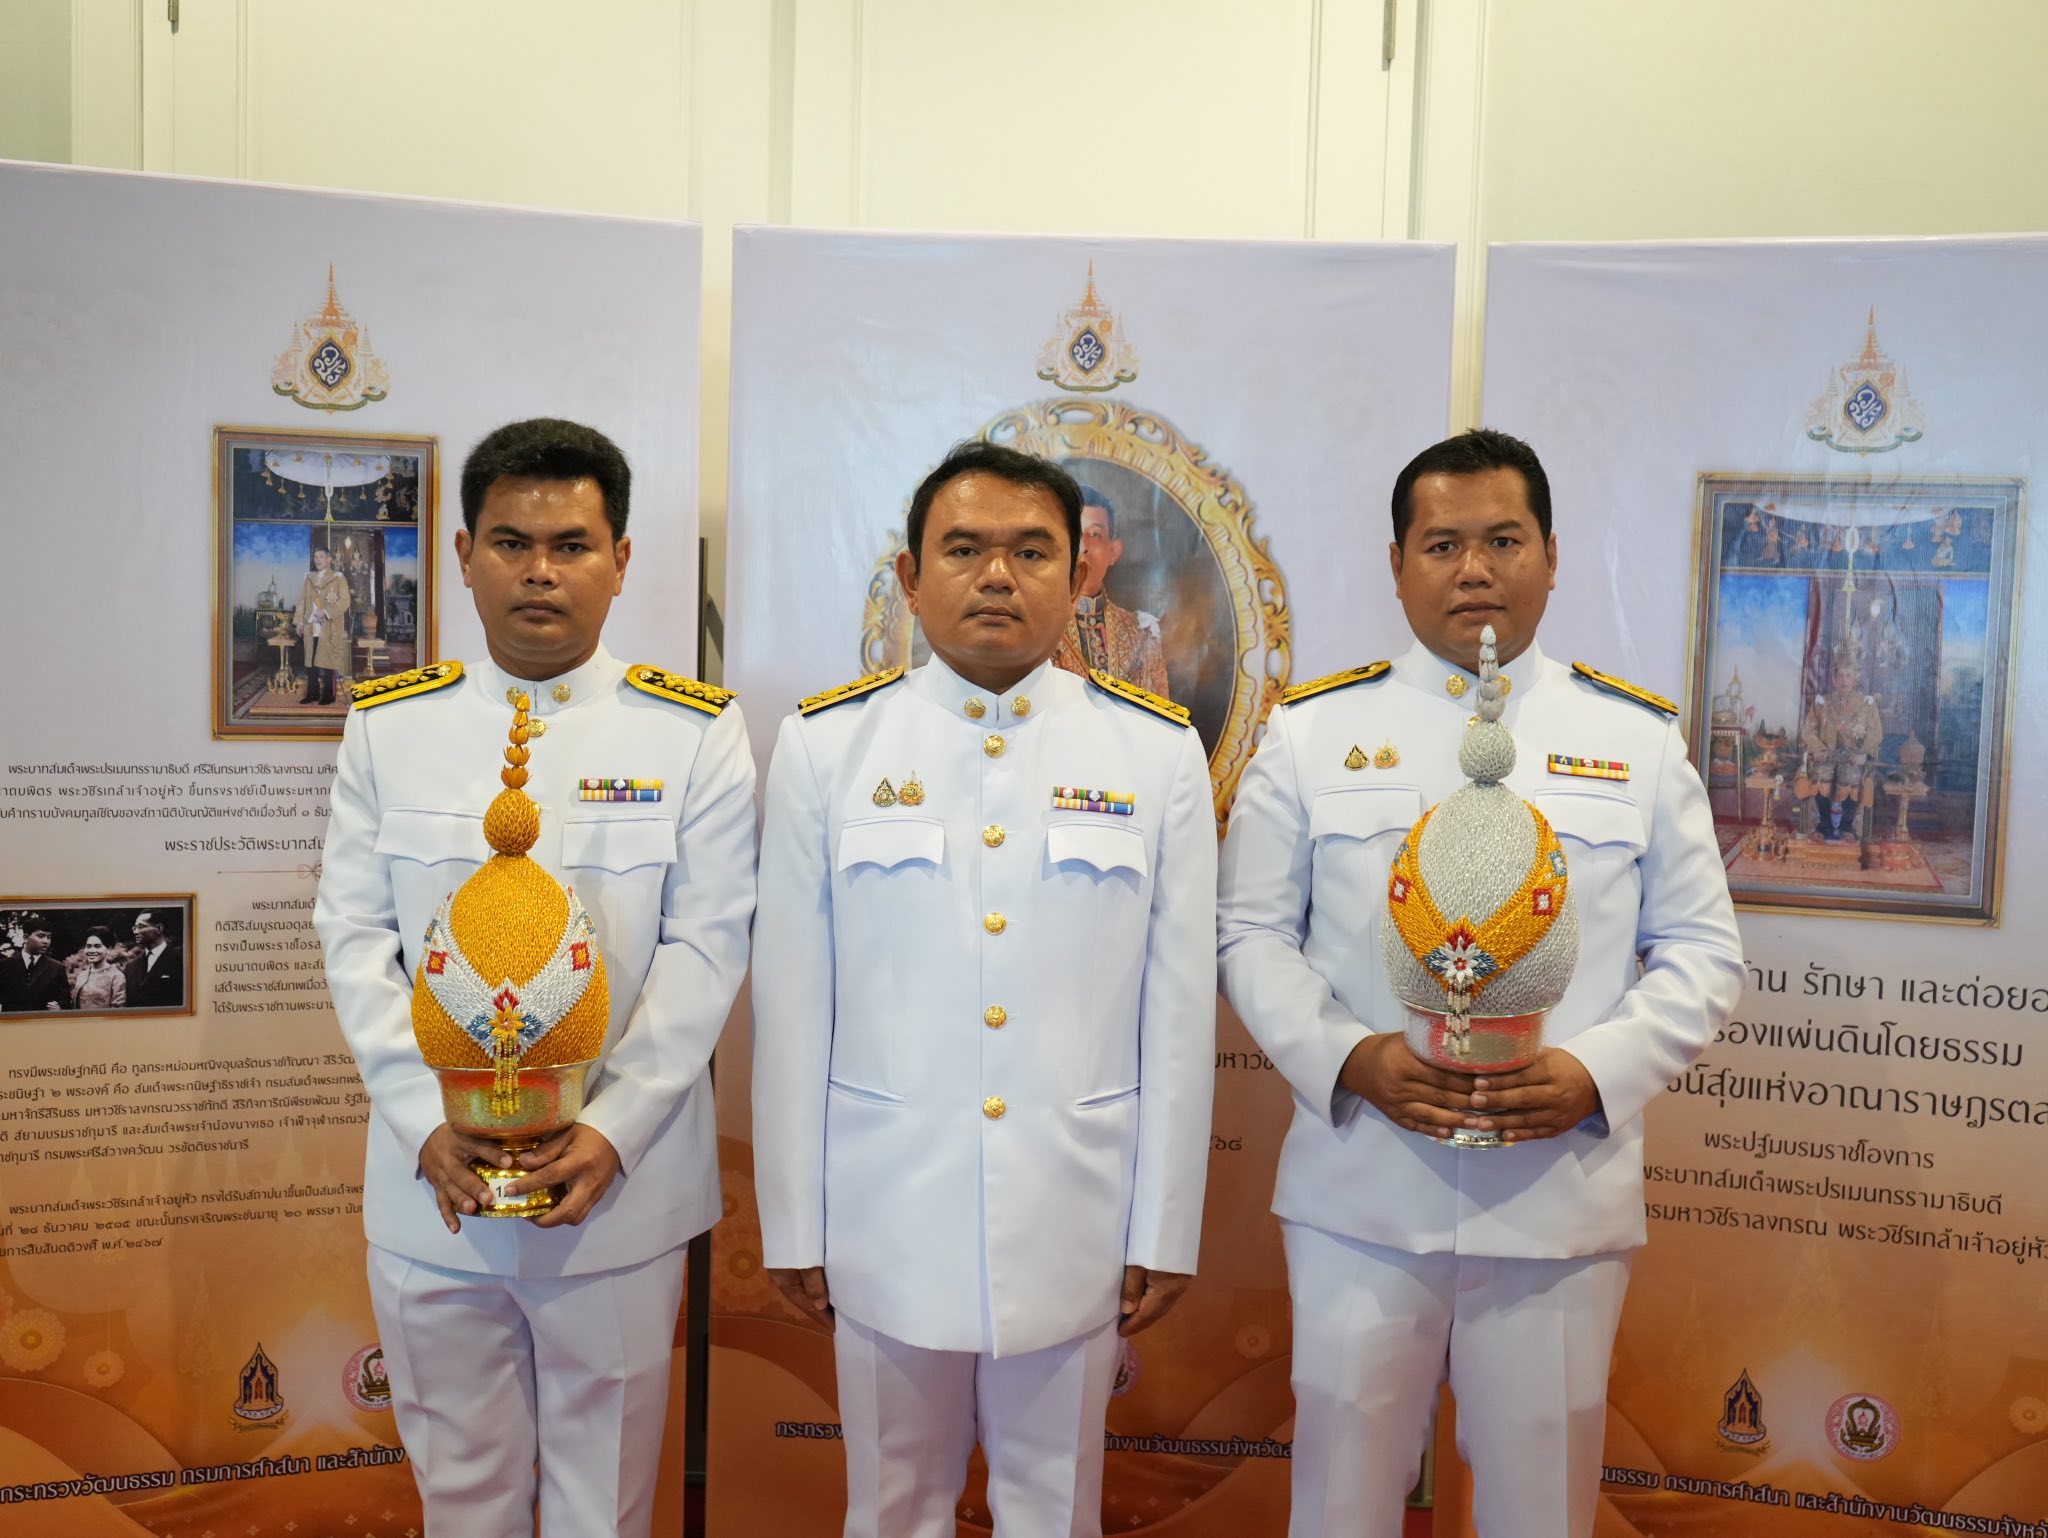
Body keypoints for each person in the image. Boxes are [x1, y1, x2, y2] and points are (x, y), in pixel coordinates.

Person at [1217, 429, 1742, 1538]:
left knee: (1539, 1512)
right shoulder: (1312, 736)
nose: (1473, 569)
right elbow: (1251, 933)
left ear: (1551, 556)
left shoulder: (1635, 739)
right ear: (1396, 562)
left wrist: (1594, 1074)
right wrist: (1349, 1057)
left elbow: (1703, 952)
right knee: (1341, 1503)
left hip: (1556, 1192)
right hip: (1364, 1189)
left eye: (1502, 540)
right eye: (1442, 543)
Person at [753, 441, 1216, 1538]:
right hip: (882, 1210)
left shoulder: (1154, 755)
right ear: (910, 578)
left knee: (1056, 1510)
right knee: (891, 1506)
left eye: (1030, 551)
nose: (997, 575)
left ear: (1080, 574)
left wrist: (1165, 1225)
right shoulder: (826, 748)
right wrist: (793, 1221)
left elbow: (1179, 1012)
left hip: (1075, 1209)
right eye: (963, 549)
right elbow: (792, 1007)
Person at [313, 418, 756, 1538]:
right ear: (464, 555)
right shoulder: (390, 727)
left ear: (621, 560)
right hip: (435, 1192)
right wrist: (423, 1120)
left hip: (617, 1195)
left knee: (604, 1505)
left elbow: (707, 948)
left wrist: (612, 1128)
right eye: (512, 542)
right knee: (461, 1499)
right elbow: (355, 936)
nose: (541, 570)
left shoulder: (691, 733)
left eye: (571, 544)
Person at [1052, 486, 1171, 697]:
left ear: (1113, 551)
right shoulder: (1038, 626)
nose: (1083, 546)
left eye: (1095, 534)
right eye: (1075, 533)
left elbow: (1156, 712)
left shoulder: (1141, 634)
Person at [1798, 649, 1884, 840]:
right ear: (1834, 679)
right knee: (1821, 775)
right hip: (1825, 756)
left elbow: (1875, 733)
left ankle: (1847, 827)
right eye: (1840, 676)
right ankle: (1824, 825)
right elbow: (1808, 731)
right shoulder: (1822, 703)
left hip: (1853, 757)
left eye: (1848, 675)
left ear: (1855, 679)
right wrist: (1818, 748)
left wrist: (1863, 753)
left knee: (1851, 776)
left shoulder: (1866, 704)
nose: (1844, 680)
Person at [295, 543, 352, 705]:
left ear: (329, 559)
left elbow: (345, 601)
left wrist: (326, 611)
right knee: (310, 661)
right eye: (315, 557)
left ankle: (328, 695)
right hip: (311, 626)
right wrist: (299, 622)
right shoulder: (309, 578)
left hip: (329, 626)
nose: (318, 560)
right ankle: (312, 694)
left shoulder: (338, 578)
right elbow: (302, 601)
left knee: (328, 663)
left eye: (321, 557)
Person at [0, 917, 71, 1012]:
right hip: (13, 1020)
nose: (46, 941)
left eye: (49, 937)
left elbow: (65, 1001)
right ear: (25, 937)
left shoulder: (57, 968)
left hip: (43, 1020)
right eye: (41, 936)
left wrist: (59, 1007)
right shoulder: (5, 965)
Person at [123, 910, 184, 1010]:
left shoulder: (180, 961)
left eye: (141, 926)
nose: (135, 931)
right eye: (135, 927)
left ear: (159, 928)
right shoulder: (131, 966)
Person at [70, 927, 127, 1011]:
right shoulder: (82, 975)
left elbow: (118, 1009)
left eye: (97, 946)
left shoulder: (117, 976)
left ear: (109, 948)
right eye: (88, 946)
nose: (91, 950)